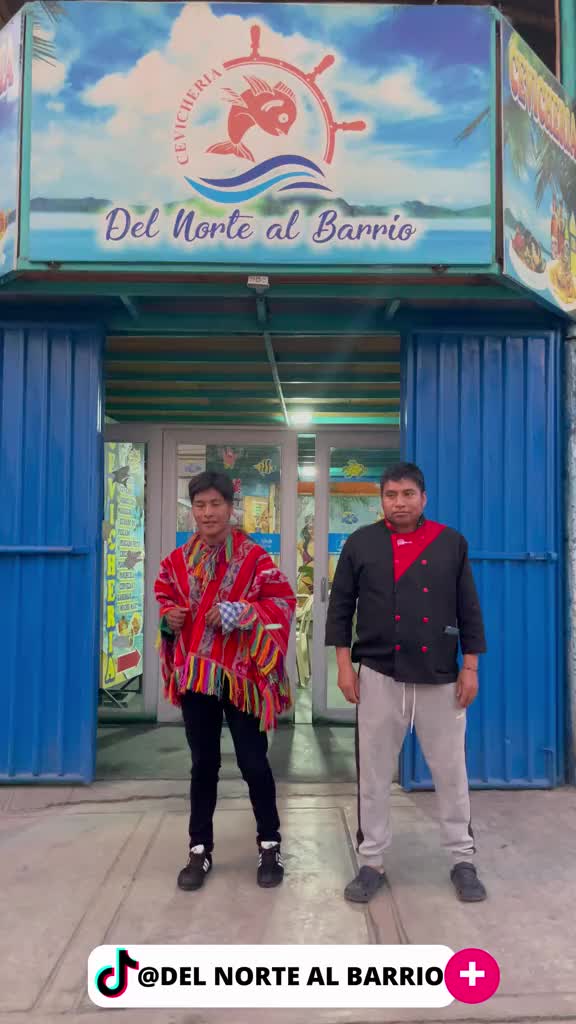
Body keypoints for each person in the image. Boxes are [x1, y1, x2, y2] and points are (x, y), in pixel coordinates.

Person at [325, 462, 487, 904]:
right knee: (374, 773)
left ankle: (463, 858)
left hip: (440, 676)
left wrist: (470, 667)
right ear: (381, 499)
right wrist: (344, 666)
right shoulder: (361, 543)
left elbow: (469, 609)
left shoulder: (450, 543)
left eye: (408, 494)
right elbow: (340, 609)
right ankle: (371, 862)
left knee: (450, 772)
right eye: (391, 495)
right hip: (379, 674)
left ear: (423, 498)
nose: (399, 503)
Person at [155, 471, 296, 892]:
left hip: (243, 677)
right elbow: (164, 600)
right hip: (197, 677)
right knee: (204, 764)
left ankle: (269, 844)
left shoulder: (255, 558)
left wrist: (242, 612)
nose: (207, 513)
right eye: (200, 505)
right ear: (192, 510)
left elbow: (282, 600)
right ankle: (199, 849)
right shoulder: (175, 562)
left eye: (215, 504)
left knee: (254, 762)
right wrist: (167, 620)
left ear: (230, 508)